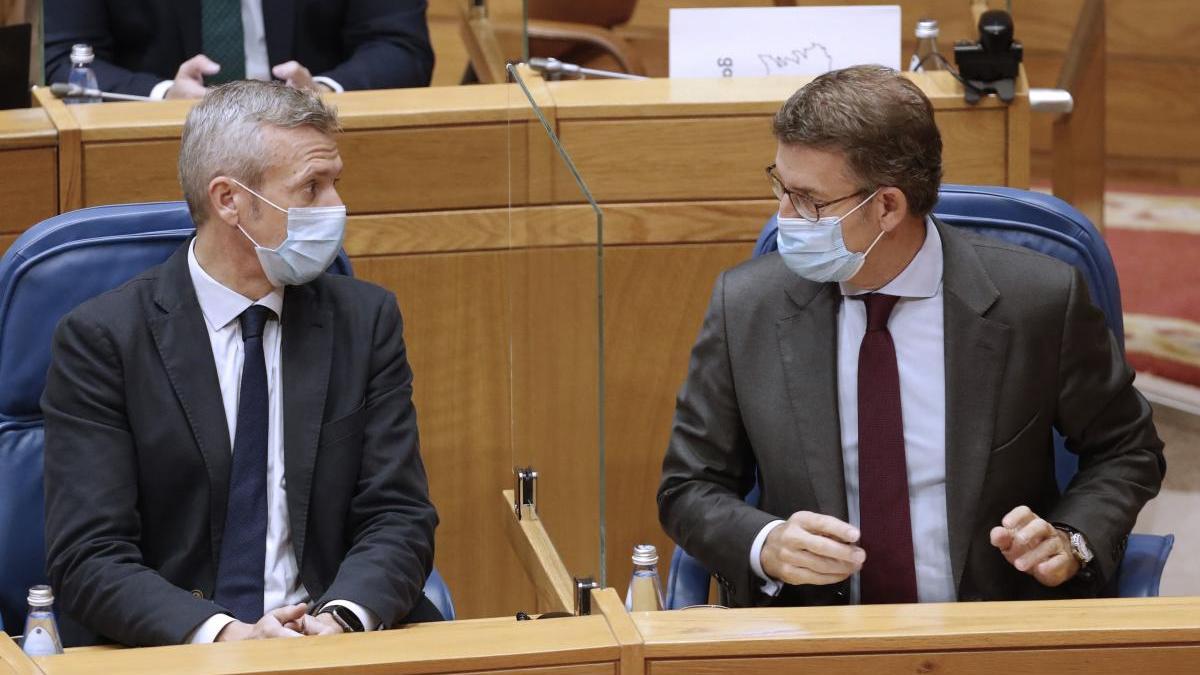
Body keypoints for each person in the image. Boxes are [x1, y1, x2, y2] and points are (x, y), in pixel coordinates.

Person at [657, 65, 1165, 609]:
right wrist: (765, 543)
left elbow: (1127, 450)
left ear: (887, 207)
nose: (784, 217)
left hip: (990, 630)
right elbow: (689, 487)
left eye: (809, 200)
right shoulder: (747, 307)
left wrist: (1072, 539)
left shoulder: (1037, 301)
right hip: (814, 636)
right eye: (780, 186)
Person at [41, 79, 438, 647]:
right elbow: (89, 556)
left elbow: (398, 515)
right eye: (311, 188)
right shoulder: (104, 340)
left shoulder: (364, 321)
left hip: (330, 643)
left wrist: (340, 618)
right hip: (178, 649)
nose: (336, 207)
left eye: (336, 183)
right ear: (229, 200)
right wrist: (226, 635)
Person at [44, 0, 434, 99]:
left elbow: (401, 47)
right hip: (159, 152)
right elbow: (67, 61)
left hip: (318, 147)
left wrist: (324, 92)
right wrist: (164, 96)